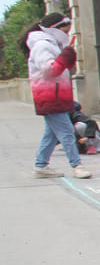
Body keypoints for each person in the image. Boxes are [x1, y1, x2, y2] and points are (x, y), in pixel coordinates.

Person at [23, 13, 90, 179]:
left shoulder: (51, 44)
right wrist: (66, 56)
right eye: (65, 30)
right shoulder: (42, 45)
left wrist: (66, 56)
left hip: (57, 94)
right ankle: (77, 165)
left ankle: (40, 165)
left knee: (52, 133)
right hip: (48, 95)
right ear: (54, 28)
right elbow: (50, 70)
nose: (66, 34)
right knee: (66, 130)